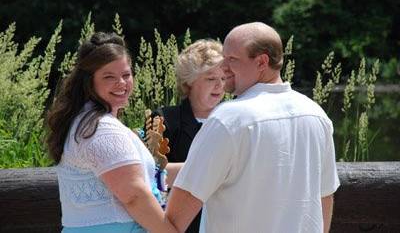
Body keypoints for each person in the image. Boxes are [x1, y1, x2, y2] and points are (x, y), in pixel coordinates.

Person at [166, 22, 340, 233]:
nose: (223, 67)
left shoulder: (229, 119)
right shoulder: (316, 115)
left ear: (262, 62)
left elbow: (177, 215)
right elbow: (325, 197)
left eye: (232, 59)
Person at [46, 32, 178, 233]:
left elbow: (148, 175)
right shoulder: (102, 129)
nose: (122, 83)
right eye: (109, 77)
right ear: (89, 81)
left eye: (126, 75)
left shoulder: (87, 121)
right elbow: (134, 197)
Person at [151, 39, 225, 232]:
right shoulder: (164, 119)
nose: (219, 85)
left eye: (224, 78)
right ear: (189, 82)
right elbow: (151, 174)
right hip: (182, 225)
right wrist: (214, 171)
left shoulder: (235, 119)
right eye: (210, 79)